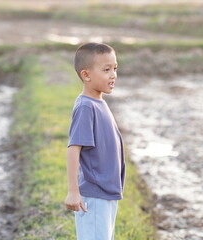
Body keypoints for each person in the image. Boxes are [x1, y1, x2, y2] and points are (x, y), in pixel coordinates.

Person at [64, 42, 126, 240]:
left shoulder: (99, 102)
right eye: (106, 70)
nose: (113, 75)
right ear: (86, 75)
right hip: (94, 194)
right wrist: (73, 191)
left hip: (106, 192)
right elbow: (74, 149)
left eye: (115, 68)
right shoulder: (86, 107)